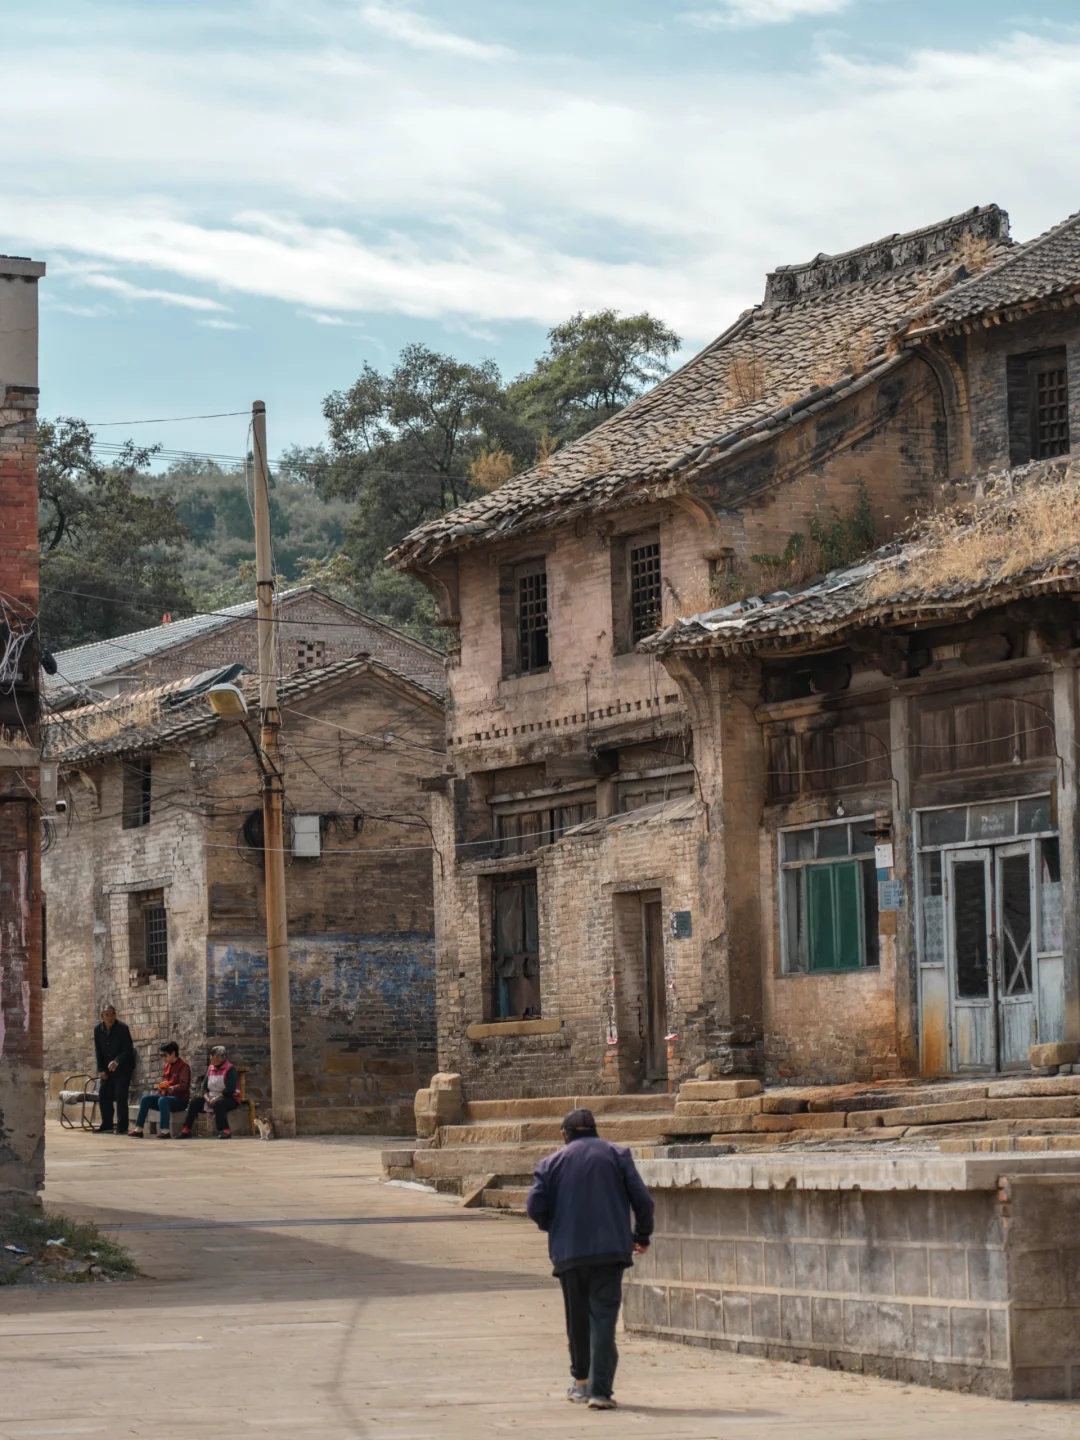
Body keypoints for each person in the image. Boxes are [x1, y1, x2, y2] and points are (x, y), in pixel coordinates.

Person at [526, 1107, 654, 1411]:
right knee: (604, 1318)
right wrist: (642, 1235)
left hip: (569, 1252)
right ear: (595, 1130)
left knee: (578, 1319)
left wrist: (552, 1226)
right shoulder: (617, 1154)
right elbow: (643, 1200)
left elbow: (534, 1204)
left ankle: (580, 1384)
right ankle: (600, 1391)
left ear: (564, 1135)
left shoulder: (550, 1163)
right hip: (610, 1251)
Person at [130, 1042, 191, 1138]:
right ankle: (139, 1129)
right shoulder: (167, 1066)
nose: (164, 1058)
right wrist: (160, 1088)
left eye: (165, 1055)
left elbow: (184, 1085)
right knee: (145, 1099)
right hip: (165, 1097)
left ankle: (165, 1131)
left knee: (163, 1100)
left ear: (173, 1053)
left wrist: (172, 1088)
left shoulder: (183, 1067)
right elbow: (165, 1082)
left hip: (179, 1100)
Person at [93, 1006, 137, 1134]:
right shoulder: (98, 1030)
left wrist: (117, 1061)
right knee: (104, 1093)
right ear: (102, 1016)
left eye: (112, 1015)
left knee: (120, 1094)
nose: (110, 1018)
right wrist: (101, 1070)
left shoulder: (122, 1028)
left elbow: (128, 1049)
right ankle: (107, 1124)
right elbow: (98, 1051)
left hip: (123, 1067)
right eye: (107, 1015)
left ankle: (122, 1126)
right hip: (107, 1068)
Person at [180, 1046, 240, 1138]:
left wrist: (216, 1097)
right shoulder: (211, 1068)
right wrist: (206, 1097)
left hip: (229, 1098)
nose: (210, 1058)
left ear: (217, 1058)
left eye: (211, 1056)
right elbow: (204, 1086)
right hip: (211, 1097)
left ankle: (225, 1130)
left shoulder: (230, 1069)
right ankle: (186, 1129)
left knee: (218, 1104)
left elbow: (230, 1089)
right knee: (194, 1102)